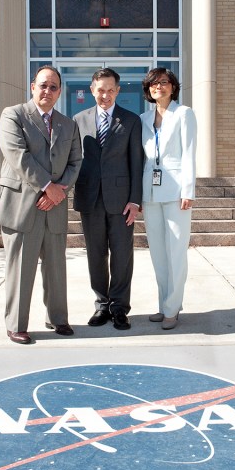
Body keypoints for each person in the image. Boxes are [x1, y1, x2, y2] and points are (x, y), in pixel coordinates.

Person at [0, 65, 83, 344]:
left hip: (54, 206)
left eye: (53, 87)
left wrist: (59, 190)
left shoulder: (69, 124)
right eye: (43, 85)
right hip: (20, 205)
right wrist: (47, 186)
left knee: (56, 266)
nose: (47, 91)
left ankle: (58, 318)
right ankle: (16, 324)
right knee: (21, 267)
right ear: (32, 87)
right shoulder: (13, 115)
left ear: (60, 91)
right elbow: (18, 156)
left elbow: (76, 162)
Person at [72, 67, 144, 330]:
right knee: (96, 255)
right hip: (89, 198)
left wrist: (135, 200)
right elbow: (73, 160)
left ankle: (120, 307)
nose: (105, 95)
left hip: (122, 201)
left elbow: (137, 163)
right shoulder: (78, 119)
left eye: (111, 90)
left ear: (118, 91)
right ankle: (102, 305)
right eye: (100, 90)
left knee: (122, 255)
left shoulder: (131, 120)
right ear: (92, 90)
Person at [138, 67, 197, 330]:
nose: (158, 87)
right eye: (153, 84)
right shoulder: (143, 119)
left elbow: (189, 154)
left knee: (176, 252)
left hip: (176, 193)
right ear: (148, 90)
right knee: (158, 254)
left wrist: (188, 191)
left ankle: (173, 308)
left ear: (173, 87)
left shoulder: (184, 114)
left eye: (164, 82)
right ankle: (164, 306)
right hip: (150, 191)